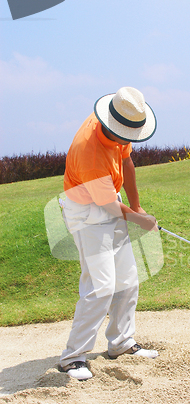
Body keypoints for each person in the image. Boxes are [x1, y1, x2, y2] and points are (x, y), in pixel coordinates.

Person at [59, 87, 159, 380]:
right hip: (86, 213)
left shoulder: (119, 128)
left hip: (107, 200)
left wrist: (137, 208)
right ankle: (72, 357)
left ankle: (121, 343)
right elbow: (106, 205)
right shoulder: (88, 151)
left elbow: (127, 163)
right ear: (113, 127)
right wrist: (139, 220)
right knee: (101, 286)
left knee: (127, 280)